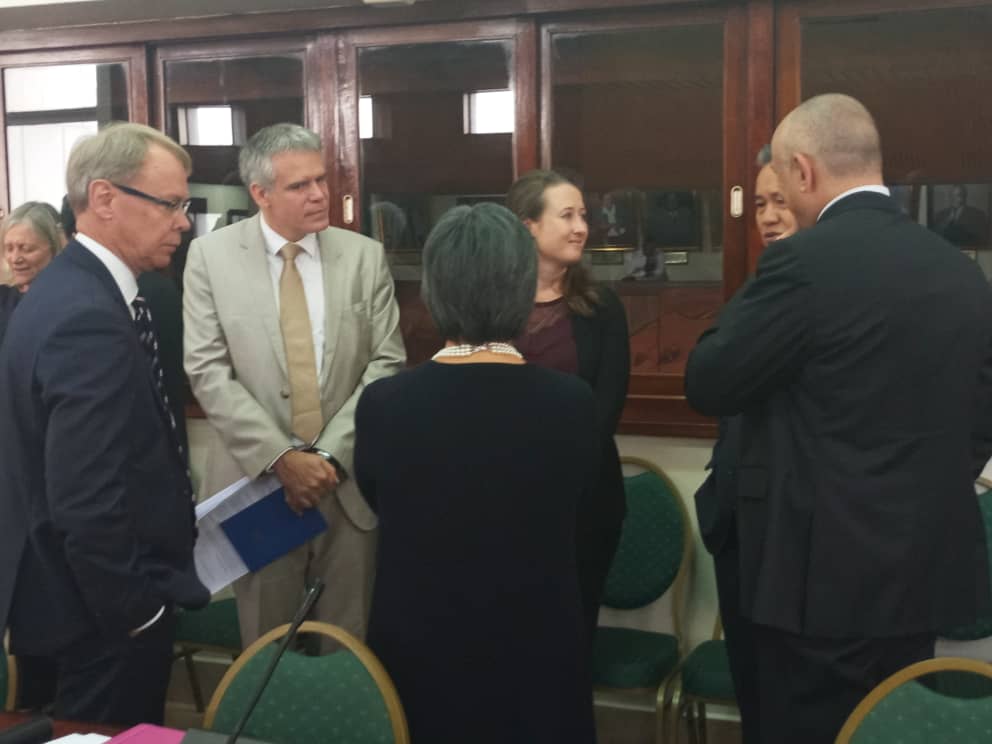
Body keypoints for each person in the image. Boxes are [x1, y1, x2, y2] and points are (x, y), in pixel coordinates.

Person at [685, 94, 992, 743]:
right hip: (917, 570)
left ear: (803, 170)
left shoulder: (801, 264)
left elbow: (709, 379)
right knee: (892, 727)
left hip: (816, 578)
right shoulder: (960, 272)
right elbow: (981, 414)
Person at [355, 203, 599, 744]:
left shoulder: (384, 405)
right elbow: (582, 507)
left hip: (420, 646)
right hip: (538, 646)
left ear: (433, 291)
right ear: (522, 288)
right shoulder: (571, 403)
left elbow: (378, 499)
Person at [0, 122, 209, 725]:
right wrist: (138, 612)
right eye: (170, 204)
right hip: (100, 615)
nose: (183, 222)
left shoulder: (68, 290)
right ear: (105, 198)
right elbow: (85, 498)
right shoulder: (86, 315)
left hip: (76, 600)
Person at [184, 123, 406, 646]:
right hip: (260, 486)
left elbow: (388, 361)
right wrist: (283, 459)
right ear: (260, 193)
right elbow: (207, 370)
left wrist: (327, 458)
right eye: (299, 185)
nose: (319, 194)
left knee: (346, 650)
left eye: (321, 180)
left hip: (345, 487)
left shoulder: (363, 256)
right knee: (267, 650)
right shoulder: (210, 258)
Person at [693, 144, 798, 744]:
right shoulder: (756, 290)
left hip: (796, 534)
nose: (768, 217)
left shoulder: (823, 293)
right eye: (759, 204)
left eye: (780, 201)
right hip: (738, 527)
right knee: (754, 700)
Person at [506, 169, 630, 645]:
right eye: (567, 216)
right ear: (529, 226)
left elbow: (606, 408)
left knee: (572, 631)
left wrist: (552, 471)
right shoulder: (494, 308)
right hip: (506, 497)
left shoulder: (602, 307)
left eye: (583, 216)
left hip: (584, 498)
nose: (581, 227)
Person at [0, 201, 63, 349]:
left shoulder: (67, 301)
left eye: (26, 249)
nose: (15, 259)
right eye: (9, 249)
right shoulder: (3, 298)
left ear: (53, 247)